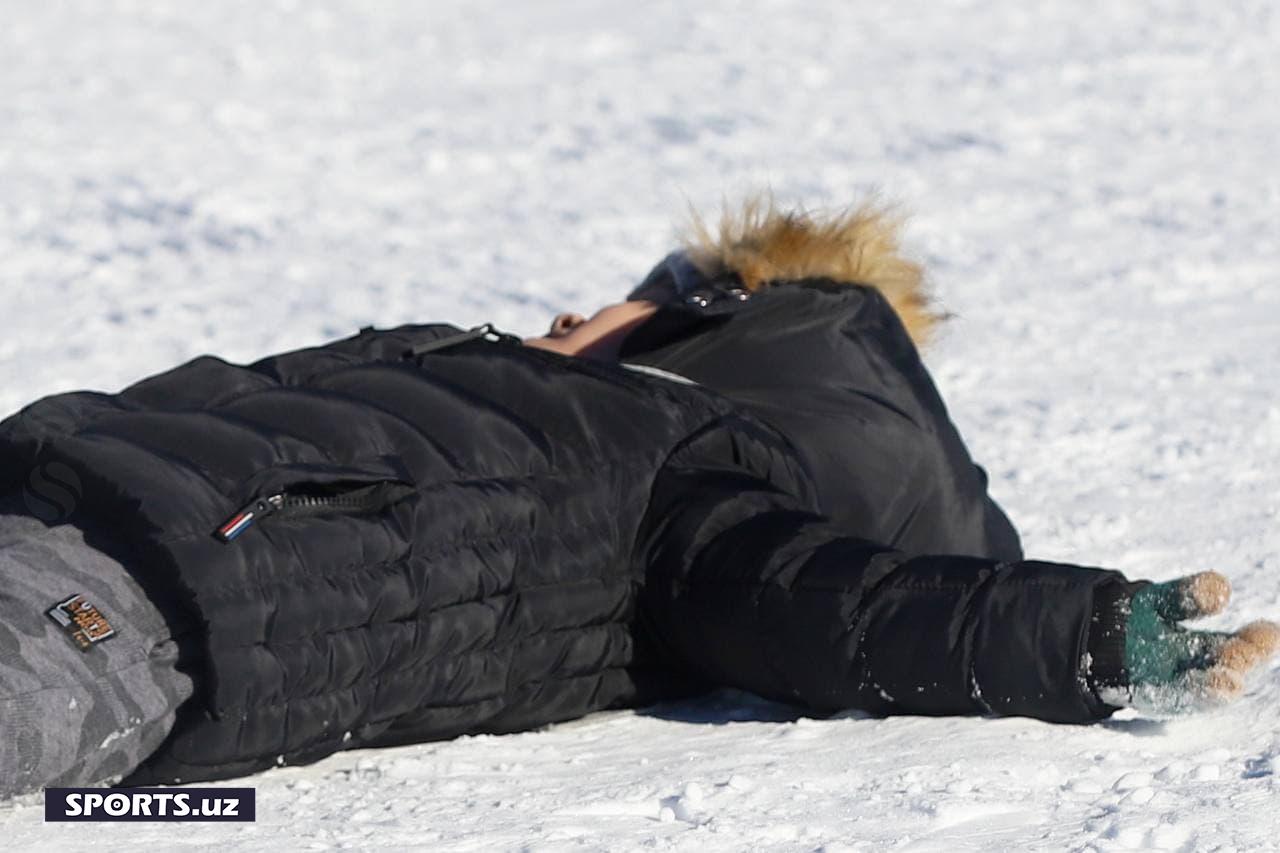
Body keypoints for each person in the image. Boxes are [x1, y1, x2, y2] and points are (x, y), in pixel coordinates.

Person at [1, 199, 1275, 798]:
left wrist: (1080, 634)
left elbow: (831, 605)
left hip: (128, 611)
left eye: (649, 289)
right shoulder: (550, 395)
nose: (574, 307)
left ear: (714, 323)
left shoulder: (687, 474)